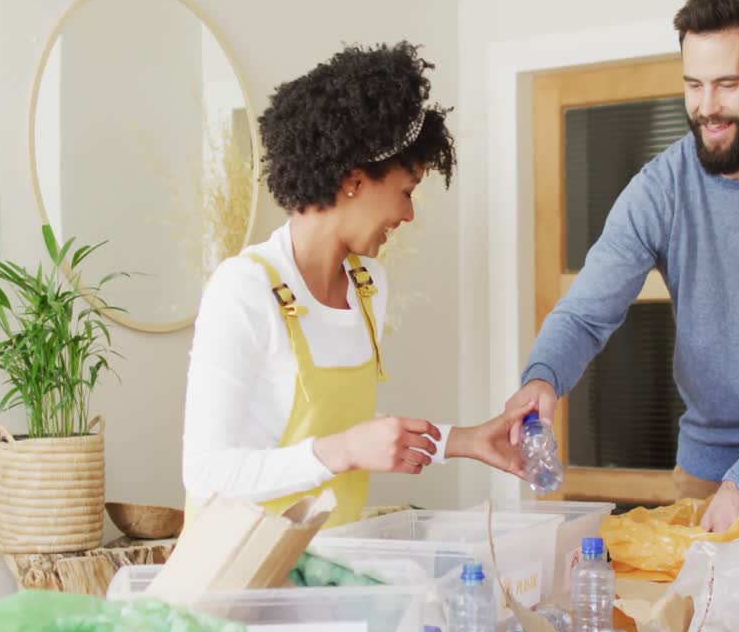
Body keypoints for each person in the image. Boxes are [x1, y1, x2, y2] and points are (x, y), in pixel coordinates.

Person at [505, 0, 739, 552]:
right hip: (707, 464)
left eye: (727, 85)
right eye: (693, 85)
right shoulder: (661, 187)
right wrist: (542, 377)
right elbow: (585, 312)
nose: (706, 107)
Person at [183, 42, 529, 528]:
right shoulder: (244, 288)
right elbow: (206, 474)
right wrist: (342, 450)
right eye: (405, 193)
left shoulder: (368, 287)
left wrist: (463, 441)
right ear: (353, 181)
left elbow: (348, 433)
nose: (408, 214)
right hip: (237, 580)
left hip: (324, 568)